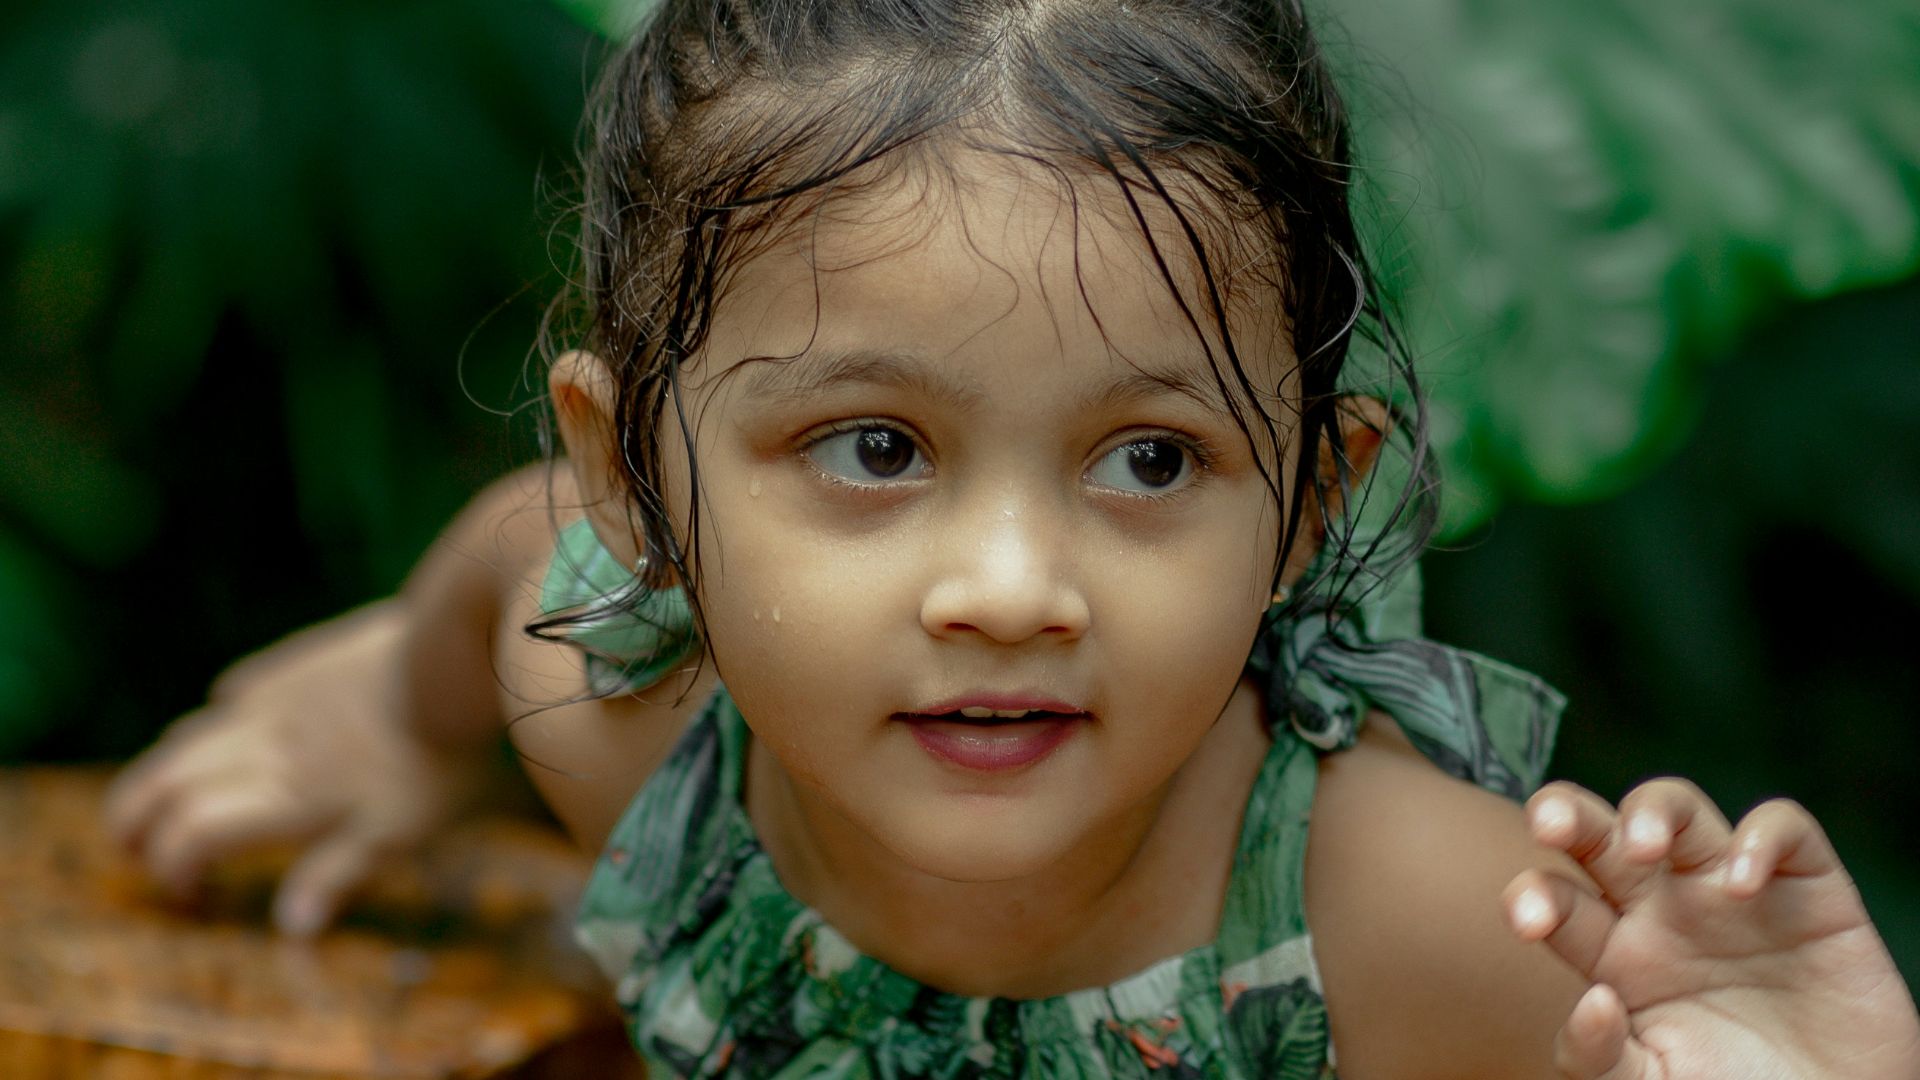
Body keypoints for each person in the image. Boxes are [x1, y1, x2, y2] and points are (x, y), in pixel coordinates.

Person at [104, 0, 1920, 1075]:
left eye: (1148, 462)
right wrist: (396, 723)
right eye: (876, 447)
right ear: (646, 481)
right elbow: (516, 550)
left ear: (1308, 501)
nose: (1009, 591)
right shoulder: (628, 731)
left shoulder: (1405, 918)